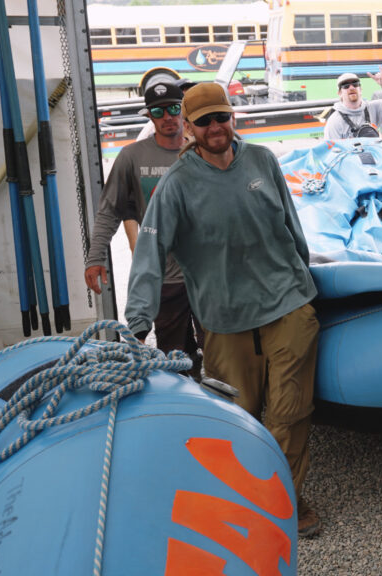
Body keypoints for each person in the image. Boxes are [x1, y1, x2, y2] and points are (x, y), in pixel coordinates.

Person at [124, 82, 323, 537]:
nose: (216, 128)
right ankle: (246, 495)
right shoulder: (176, 184)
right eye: (205, 121)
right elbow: (148, 256)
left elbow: (291, 225)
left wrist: (307, 283)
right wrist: (137, 324)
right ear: (189, 129)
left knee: (291, 410)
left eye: (222, 117)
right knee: (239, 415)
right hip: (224, 319)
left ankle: (283, 498)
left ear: (233, 118)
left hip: (288, 303)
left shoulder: (263, 161)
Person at [84, 80, 202, 377]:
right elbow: (109, 210)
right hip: (164, 276)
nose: (167, 117)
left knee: (223, 354)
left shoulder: (202, 152)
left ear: (183, 111)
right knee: (172, 359)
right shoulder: (131, 157)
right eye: (158, 111)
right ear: (149, 115)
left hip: (207, 274)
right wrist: (96, 256)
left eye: (174, 109)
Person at [323, 66, 382, 140]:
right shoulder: (334, 122)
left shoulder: (374, 108)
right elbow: (331, 153)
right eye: (345, 85)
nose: (351, 87)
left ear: (360, 89)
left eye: (355, 84)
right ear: (340, 93)